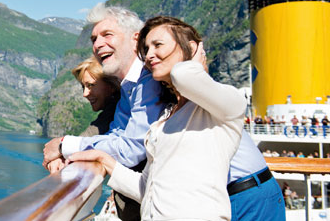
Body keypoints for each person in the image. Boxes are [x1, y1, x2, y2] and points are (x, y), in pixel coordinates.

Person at [69, 16, 245, 220]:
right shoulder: (164, 121)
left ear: (191, 47)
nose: (149, 55)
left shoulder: (227, 106)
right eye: (146, 48)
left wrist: (194, 57)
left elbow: (184, 76)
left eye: (158, 45)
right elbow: (147, 187)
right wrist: (103, 159)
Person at [42, 4, 164, 221]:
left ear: (136, 38)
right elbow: (115, 136)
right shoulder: (129, 87)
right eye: (93, 39)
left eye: (107, 35)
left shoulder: (149, 80)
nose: (98, 44)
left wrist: (63, 145)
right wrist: (68, 151)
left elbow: (131, 148)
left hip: (231, 194)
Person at [71, 58, 121, 136]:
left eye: (91, 85)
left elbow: (88, 137)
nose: (85, 94)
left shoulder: (118, 111)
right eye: (83, 87)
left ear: (111, 85)